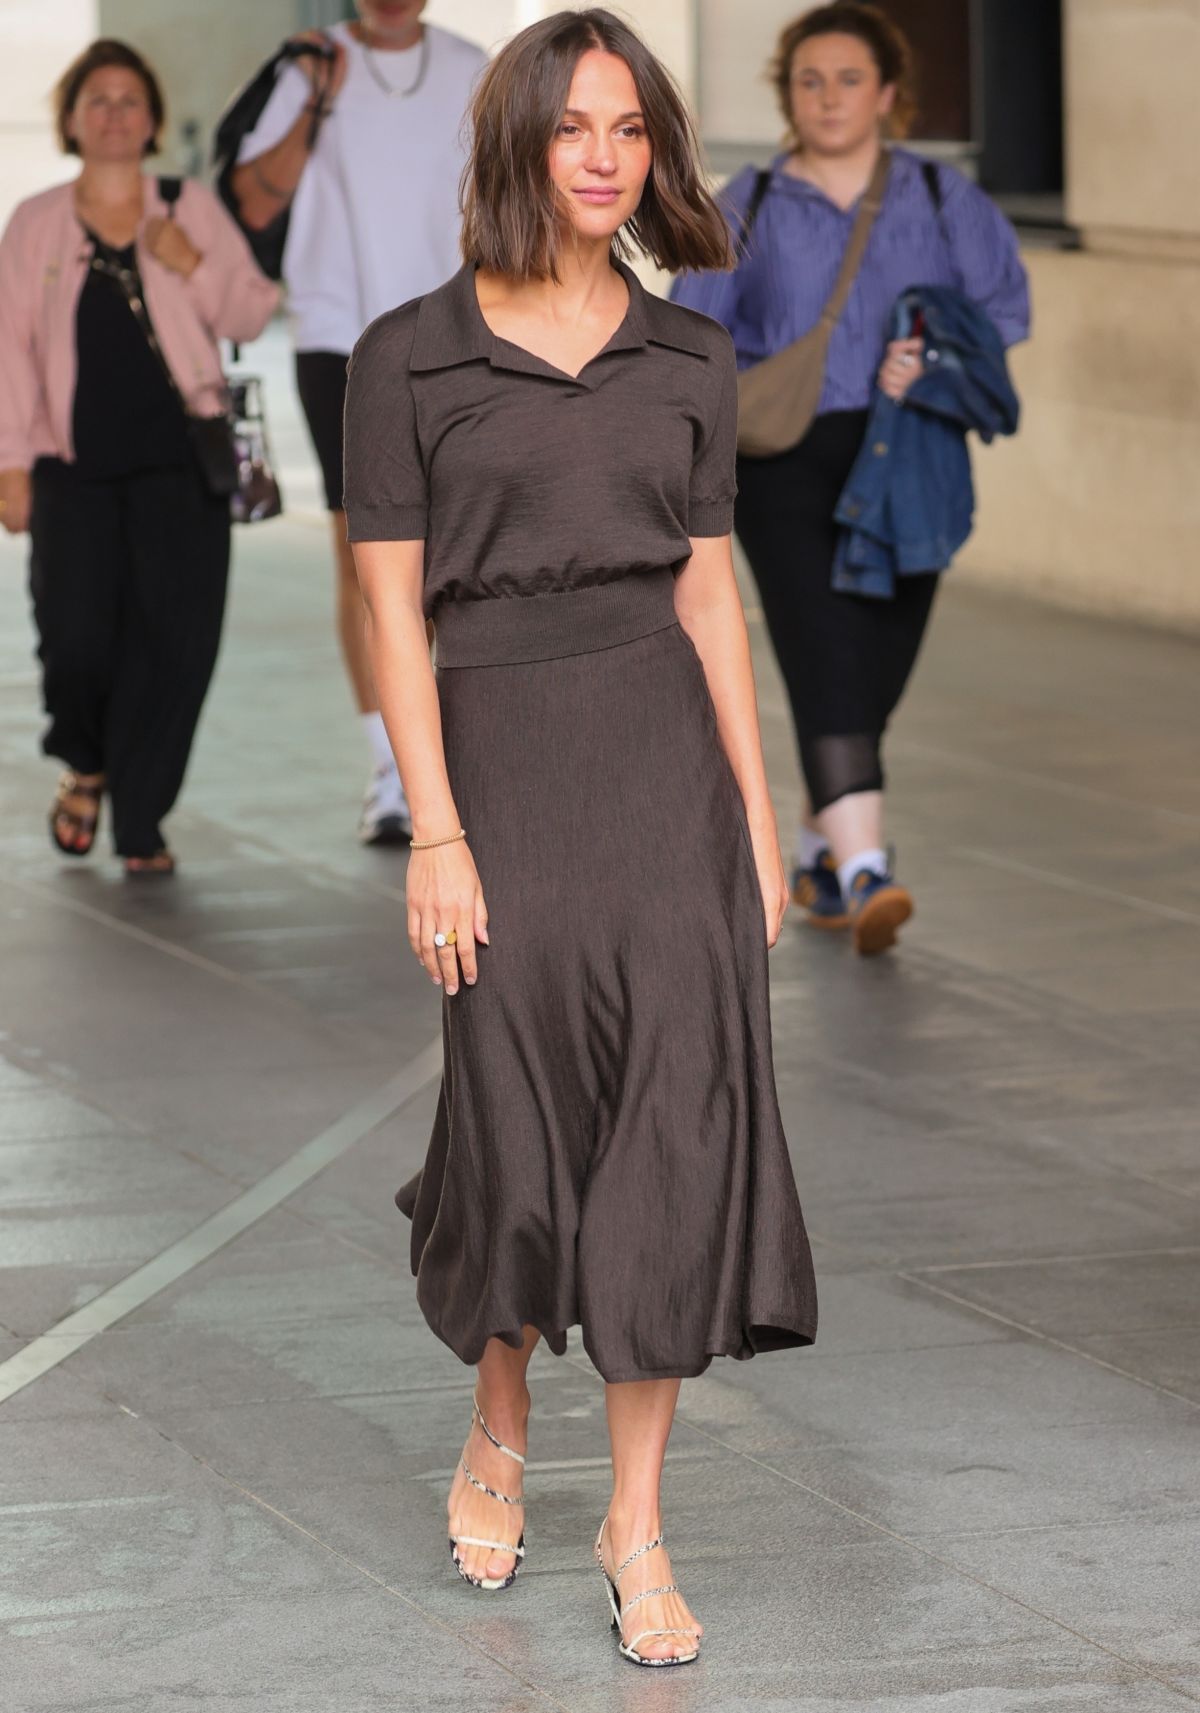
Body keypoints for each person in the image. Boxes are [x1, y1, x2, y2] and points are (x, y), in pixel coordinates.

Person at [343, 7, 817, 1669]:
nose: (607, 156)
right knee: (516, 1113)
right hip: (502, 762)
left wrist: (760, 828)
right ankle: (497, 1406)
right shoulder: (410, 356)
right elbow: (392, 607)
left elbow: (707, 594)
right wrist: (438, 830)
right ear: (518, 148)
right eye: (575, 128)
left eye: (630, 129)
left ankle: (637, 1521)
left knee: (674, 1123)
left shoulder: (689, 359)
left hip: (661, 766)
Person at [672, 2, 1029, 954]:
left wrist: (938, 367)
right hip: (784, 462)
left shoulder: (945, 200)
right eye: (809, 80)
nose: (828, 98)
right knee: (824, 648)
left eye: (849, 79)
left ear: (889, 94)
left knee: (879, 660)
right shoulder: (745, 202)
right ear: (787, 93)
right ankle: (870, 868)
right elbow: (688, 338)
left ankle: (824, 853)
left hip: (913, 455)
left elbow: (1001, 320)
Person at [0, 40, 278, 875]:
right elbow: (8, 350)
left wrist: (190, 266)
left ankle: (141, 819)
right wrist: (9, 462)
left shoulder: (188, 205)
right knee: (76, 636)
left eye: (130, 99)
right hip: (69, 469)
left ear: (153, 119)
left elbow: (252, 313)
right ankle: (86, 760)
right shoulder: (37, 221)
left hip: (180, 471)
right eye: (99, 99)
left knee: (175, 643)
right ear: (74, 119)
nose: (116, 112)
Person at [230, 0, 486, 847]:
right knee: (367, 558)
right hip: (338, 338)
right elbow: (254, 203)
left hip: (456, 331)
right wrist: (313, 98)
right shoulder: (310, 65)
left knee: (456, 551)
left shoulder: (473, 67)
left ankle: (447, 755)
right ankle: (391, 771)